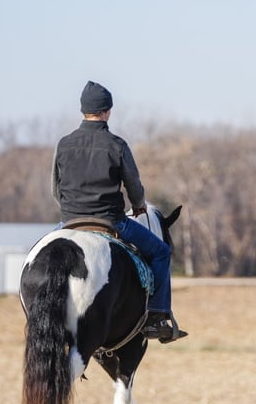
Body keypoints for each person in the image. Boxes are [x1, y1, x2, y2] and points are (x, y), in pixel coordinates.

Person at [51, 80, 187, 343]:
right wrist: (138, 205)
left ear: (83, 110)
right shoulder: (116, 145)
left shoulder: (63, 144)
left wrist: (71, 209)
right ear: (107, 111)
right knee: (161, 251)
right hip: (111, 220)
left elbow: (55, 189)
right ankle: (157, 317)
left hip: (69, 220)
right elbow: (134, 186)